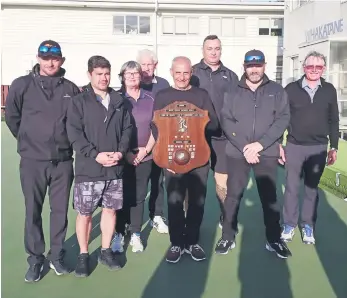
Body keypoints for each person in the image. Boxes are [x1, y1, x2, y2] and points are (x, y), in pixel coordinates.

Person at [5, 40, 80, 282]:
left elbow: (76, 122)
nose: (50, 62)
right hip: (32, 161)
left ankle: (56, 256)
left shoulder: (71, 88)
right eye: (45, 57)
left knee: (59, 211)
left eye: (55, 58)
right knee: (33, 211)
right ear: (38, 58)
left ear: (62, 60)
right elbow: (12, 117)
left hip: (63, 162)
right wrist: (27, 140)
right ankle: (36, 260)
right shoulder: (22, 85)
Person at [215, 49, 292, 259]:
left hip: (266, 152)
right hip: (238, 152)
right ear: (244, 67)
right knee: (232, 197)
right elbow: (226, 120)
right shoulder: (232, 91)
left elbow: (283, 119)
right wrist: (244, 146)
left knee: (269, 197)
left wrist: (260, 144)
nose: (254, 70)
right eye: (250, 66)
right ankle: (227, 236)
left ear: (264, 66)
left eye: (258, 66)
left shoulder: (277, 91)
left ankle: (274, 239)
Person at [66, 56, 132, 277]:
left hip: (114, 168)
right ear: (89, 75)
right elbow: (74, 134)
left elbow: (127, 130)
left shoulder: (119, 101)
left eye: (107, 74)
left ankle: (105, 251)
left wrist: (120, 152)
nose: (104, 78)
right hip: (89, 169)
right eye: (99, 74)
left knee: (110, 210)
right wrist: (95, 155)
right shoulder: (79, 102)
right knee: (85, 213)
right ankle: (84, 255)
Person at [152, 56, 220, 263]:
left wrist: (195, 124)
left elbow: (214, 124)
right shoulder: (162, 96)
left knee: (197, 201)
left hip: (198, 156)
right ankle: (176, 243)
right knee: (174, 201)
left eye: (186, 72)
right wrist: (166, 154)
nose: (182, 77)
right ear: (171, 72)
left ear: (191, 73)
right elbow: (155, 127)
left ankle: (191, 241)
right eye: (178, 72)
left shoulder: (201, 95)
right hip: (172, 157)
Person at [280, 51, 339, 245]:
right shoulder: (290, 89)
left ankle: (308, 225)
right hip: (295, 146)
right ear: (303, 68)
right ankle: (288, 224)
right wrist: (279, 144)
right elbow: (282, 118)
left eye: (319, 67)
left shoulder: (329, 90)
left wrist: (334, 147)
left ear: (324, 69)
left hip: (319, 148)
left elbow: (334, 120)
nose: (314, 70)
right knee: (291, 188)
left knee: (311, 189)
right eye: (310, 66)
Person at [191, 35, 239, 229]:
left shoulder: (231, 75)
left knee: (223, 181)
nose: (213, 52)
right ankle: (190, 221)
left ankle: (225, 218)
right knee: (194, 182)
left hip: (222, 137)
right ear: (202, 50)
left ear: (221, 50)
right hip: (197, 136)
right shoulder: (192, 73)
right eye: (209, 48)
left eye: (217, 48)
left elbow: (238, 106)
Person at [112, 61, 157, 254]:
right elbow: (112, 130)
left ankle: (136, 233)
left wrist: (145, 150)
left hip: (145, 156)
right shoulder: (116, 99)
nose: (132, 77)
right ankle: (119, 233)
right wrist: (127, 153)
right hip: (122, 156)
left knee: (139, 196)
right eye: (127, 73)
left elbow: (157, 127)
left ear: (141, 76)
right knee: (120, 197)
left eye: (135, 73)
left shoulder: (151, 98)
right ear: (122, 77)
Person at [136, 49, 170, 234]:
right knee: (137, 186)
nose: (147, 68)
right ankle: (130, 224)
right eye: (143, 64)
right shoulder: (133, 82)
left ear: (155, 65)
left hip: (159, 142)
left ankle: (156, 215)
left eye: (150, 64)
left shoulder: (164, 84)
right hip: (138, 144)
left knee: (158, 182)